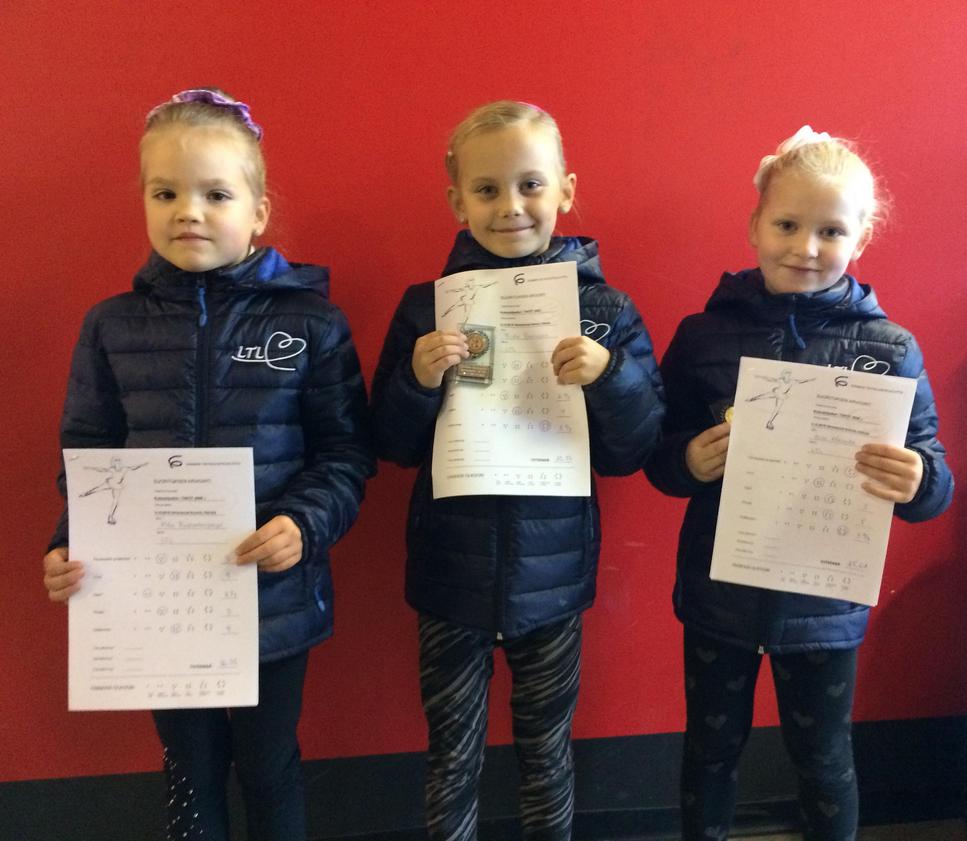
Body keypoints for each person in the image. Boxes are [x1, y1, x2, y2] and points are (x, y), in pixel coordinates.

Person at [41, 88, 374, 841]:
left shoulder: (311, 322)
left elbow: (346, 452)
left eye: (215, 194)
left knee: (268, 765)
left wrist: (303, 524)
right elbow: (88, 457)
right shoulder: (111, 325)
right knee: (189, 767)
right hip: (156, 601)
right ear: (144, 201)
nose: (188, 211)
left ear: (258, 212)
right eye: (166, 193)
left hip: (272, 595)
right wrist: (70, 543)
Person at [643, 125, 954, 841]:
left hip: (825, 604)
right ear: (755, 225)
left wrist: (918, 479)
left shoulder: (892, 349)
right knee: (709, 751)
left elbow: (934, 477)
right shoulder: (703, 336)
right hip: (720, 596)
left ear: (861, 237)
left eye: (831, 231)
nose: (805, 247)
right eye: (787, 225)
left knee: (823, 759)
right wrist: (688, 460)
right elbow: (658, 455)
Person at [369, 100, 664, 840]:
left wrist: (611, 374)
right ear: (457, 202)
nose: (510, 207)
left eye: (530, 184)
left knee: (547, 751)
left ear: (566, 189)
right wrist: (416, 377)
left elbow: (634, 450)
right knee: (452, 755)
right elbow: (388, 442)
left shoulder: (605, 310)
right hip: (450, 574)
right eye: (487, 189)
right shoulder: (427, 310)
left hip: (553, 578)